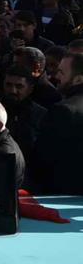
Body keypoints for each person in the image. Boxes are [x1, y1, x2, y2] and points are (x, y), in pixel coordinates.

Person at [36, 51, 83, 194]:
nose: (56, 77)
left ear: (78, 80)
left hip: (62, 193)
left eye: (61, 73)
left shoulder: (63, 111)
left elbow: (42, 157)